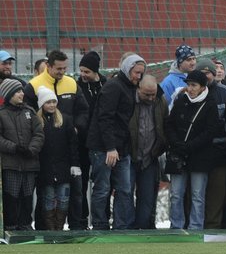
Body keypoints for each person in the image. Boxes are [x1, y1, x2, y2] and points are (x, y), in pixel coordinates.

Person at [24, 50, 90, 230]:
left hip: (70, 149)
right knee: (45, 194)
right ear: (49, 66)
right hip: (44, 152)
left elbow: (83, 111)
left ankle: (75, 227)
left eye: (65, 68)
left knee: (73, 193)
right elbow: (27, 114)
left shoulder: (71, 84)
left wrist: (77, 127)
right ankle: (43, 228)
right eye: (59, 68)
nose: (62, 71)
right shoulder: (33, 86)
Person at [87, 54, 146, 230]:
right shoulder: (113, 87)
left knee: (125, 189)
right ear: (128, 69)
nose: (139, 77)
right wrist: (110, 148)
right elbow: (105, 119)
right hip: (104, 147)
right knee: (103, 188)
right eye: (136, 72)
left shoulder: (128, 87)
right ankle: (100, 225)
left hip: (121, 147)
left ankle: (122, 226)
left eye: (141, 73)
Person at [165, 70, 220, 230]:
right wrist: (176, 143)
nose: (190, 88)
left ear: (203, 87)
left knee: (197, 195)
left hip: (200, 155)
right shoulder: (181, 100)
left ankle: (196, 226)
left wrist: (190, 145)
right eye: (188, 84)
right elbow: (169, 123)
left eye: (194, 85)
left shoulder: (210, 104)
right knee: (176, 194)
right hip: (179, 154)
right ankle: (176, 226)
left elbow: (210, 131)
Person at [195, 59, 226, 229]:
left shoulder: (225, 93)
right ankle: (195, 226)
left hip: (220, 152)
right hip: (196, 153)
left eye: (208, 73)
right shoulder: (188, 93)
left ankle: (213, 227)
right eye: (202, 73)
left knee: (217, 194)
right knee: (195, 193)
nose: (206, 77)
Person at [0, 79, 44, 230]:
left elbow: (39, 134)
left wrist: (31, 149)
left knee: (27, 196)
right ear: (9, 94)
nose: (22, 94)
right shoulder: (2, 114)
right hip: (10, 164)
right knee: (11, 197)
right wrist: (15, 148)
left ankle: (25, 225)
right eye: (18, 91)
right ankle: (10, 226)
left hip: (30, 163)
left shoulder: (30, 112)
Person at [70, 51, 105, 230]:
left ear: (95, 71)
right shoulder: (76, 87)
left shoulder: (106, 85)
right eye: (81, 71)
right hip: (81, 144)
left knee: (102, 185)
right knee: (80, 184)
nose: (83, 75)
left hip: (101, 144)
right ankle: (80, 220)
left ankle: (102, 221)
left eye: (87, 72)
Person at [35, 86, 77, 230]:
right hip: (45, 169)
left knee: (63, 199)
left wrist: (74, 164)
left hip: (63, 168)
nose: (52, 105)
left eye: (54, 101)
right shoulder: (37, 122)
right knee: (48, 199)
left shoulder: (65, 120)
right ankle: (51, 230)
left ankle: (59, 228)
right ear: (42, 105)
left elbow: (72, 144)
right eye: (48, 102)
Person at [128, 75, 167, 229]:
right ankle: (125, 228)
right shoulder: (128, 100)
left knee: (147, 197)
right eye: (147, 94)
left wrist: (159, 148)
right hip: (129, 156)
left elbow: (166, 125)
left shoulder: (161, 102)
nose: (151, 98)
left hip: (150, 157)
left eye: (153, 94)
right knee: (126, 194)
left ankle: (142, 228)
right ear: (138, 89)